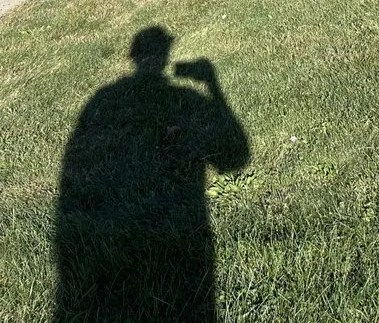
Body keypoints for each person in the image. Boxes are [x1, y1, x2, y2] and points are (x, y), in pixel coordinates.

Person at [55, 26, 250, 322]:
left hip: (105, 245)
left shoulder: (102, 100)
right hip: (179, 229)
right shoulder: (182, 96)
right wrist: (212, 84)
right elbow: (235, 158)